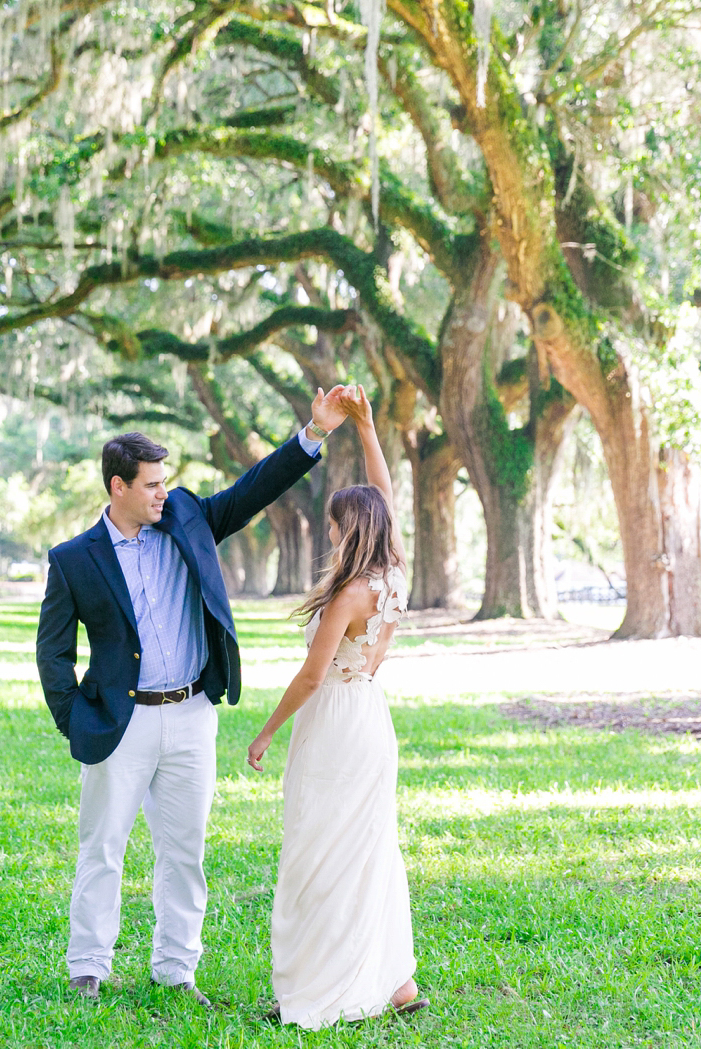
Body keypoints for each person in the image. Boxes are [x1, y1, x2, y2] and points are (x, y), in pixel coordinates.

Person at [36, 387, 354, 1005]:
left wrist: (311, 435)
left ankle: (176, 969)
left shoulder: (185, 516)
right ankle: (89, 967)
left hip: (190, 713)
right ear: (117, 487)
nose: (162, 493)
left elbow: (251, 490)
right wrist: (76, 718)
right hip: (117, 722)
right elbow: (53, 652)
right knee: (103, 848)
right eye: (151, 484)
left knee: (185, 850)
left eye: (164, 482)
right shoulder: (74, 559)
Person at [246, 384, 425, 1028]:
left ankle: (326, 988)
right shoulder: (393, 575)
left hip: (334, 727)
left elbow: (312, 676)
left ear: (351, 528)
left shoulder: (351, 595)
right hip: (371, 719)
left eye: (333, 524)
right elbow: (386, 495)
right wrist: (367, 429)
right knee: (368, 850)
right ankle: (395, 980)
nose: (327, 532)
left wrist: (266, 732)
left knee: (318, 853)